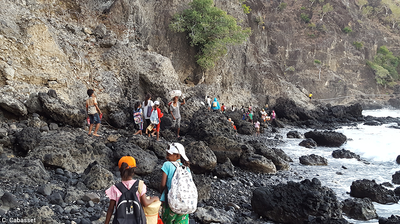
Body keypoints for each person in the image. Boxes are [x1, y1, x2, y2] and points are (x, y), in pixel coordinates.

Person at [104, 156, 160, 224]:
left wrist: (106, 222)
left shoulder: (115, 188)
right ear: (134, 171)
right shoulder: (140, 185)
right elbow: (145, 203)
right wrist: (154, 198)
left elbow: (110, 209)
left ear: (120, 170)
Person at [160, 143, 191, 224]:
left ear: (178, 156)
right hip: (184, 203)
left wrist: (161, 192)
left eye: (169, 154)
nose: (166, 157)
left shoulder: (167, 165)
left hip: (169, 202)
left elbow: (163, 184)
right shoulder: (186, 168)